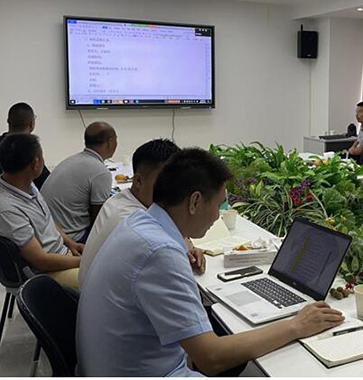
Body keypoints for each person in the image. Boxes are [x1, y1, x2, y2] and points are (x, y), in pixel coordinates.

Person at [76, 148, 344, 377]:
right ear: (194, 201)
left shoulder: (139, 223)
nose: (218, 215)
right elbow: (210, 358)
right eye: (219, 205)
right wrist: (296, 325)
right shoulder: (160, 252)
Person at [77, 138, 206, 287]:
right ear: (138, 181)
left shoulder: (123, 199)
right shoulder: (132, 222)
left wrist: (190, 249)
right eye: (163, 183)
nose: (173, 192)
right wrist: (185, 250)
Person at [0, 134, 83, 289]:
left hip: (61, 255)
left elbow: (45, 221)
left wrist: (70, 243)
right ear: (35, 163)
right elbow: (41, 262)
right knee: (104, 281)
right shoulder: (6, 209)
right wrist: (84, 261)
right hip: (45, 273)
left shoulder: (26, 185)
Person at [41, 122, 117, 243]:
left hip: (47, 231)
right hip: (71, 236)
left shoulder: (71, 160)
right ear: (110, 142)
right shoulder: (101, 172)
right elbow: (99, 220)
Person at [0, 102, 50, 190]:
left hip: (2, 190)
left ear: (8, 121)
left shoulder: (1, 141)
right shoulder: (28, 146)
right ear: (31, 124)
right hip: (22, 195)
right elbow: (45, 182)